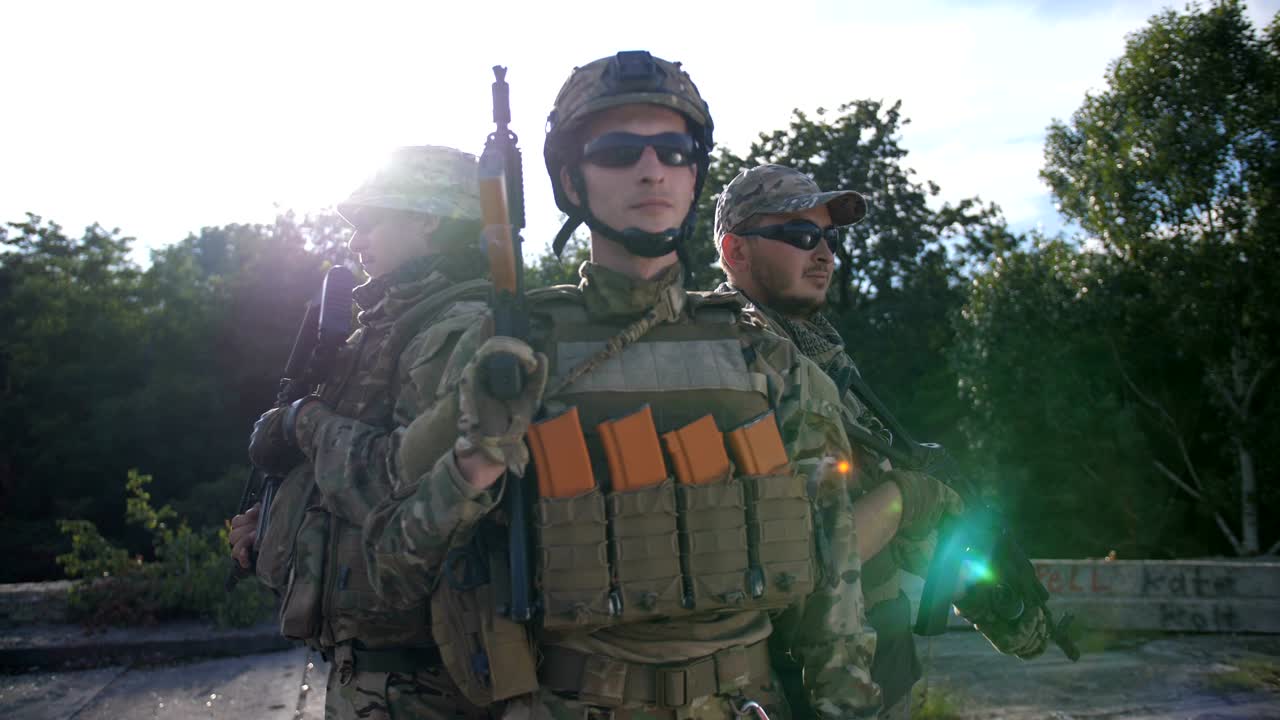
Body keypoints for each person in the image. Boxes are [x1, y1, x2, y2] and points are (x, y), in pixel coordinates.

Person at [357, 51, 963, 720]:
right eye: (618, 152)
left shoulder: (763, 354)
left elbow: (831, 568)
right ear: (571, 179)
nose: (652, 171)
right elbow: (391, 570)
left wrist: (843, 703)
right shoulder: (509, 349)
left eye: (674, 152)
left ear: (695, 173)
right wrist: (475, 464)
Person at [713, 163, 1052, 717]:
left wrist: (977, 587)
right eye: (801, 235)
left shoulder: (816, 353)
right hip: (800, 683)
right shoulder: (730, 362)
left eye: (829, 238)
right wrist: (905, 500)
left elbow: (857, 506)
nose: (825, 255)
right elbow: (779, 561)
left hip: (876, 665)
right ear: (736, 251)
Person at [227, 145, 496, 720]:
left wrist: (303, 421)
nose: (355, 241)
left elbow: (405, 491)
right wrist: (278, 520)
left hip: (428, 680)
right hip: (372, 675)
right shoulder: (382, 331)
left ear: (428, 219)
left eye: (371, 220)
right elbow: (340, 482)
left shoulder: (458, 330)